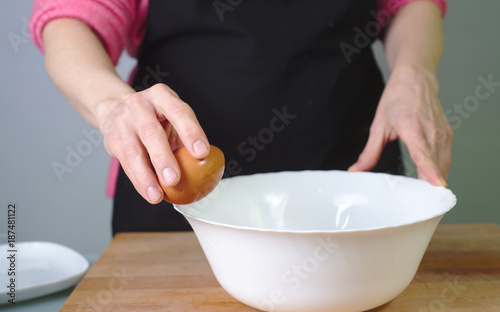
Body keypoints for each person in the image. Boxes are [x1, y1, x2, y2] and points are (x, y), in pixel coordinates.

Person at [30, 0, 452, 234]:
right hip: (174, 199)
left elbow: (410, 5)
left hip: (349, 191)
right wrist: (112, 105)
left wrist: (414, 73)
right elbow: (70, 19)